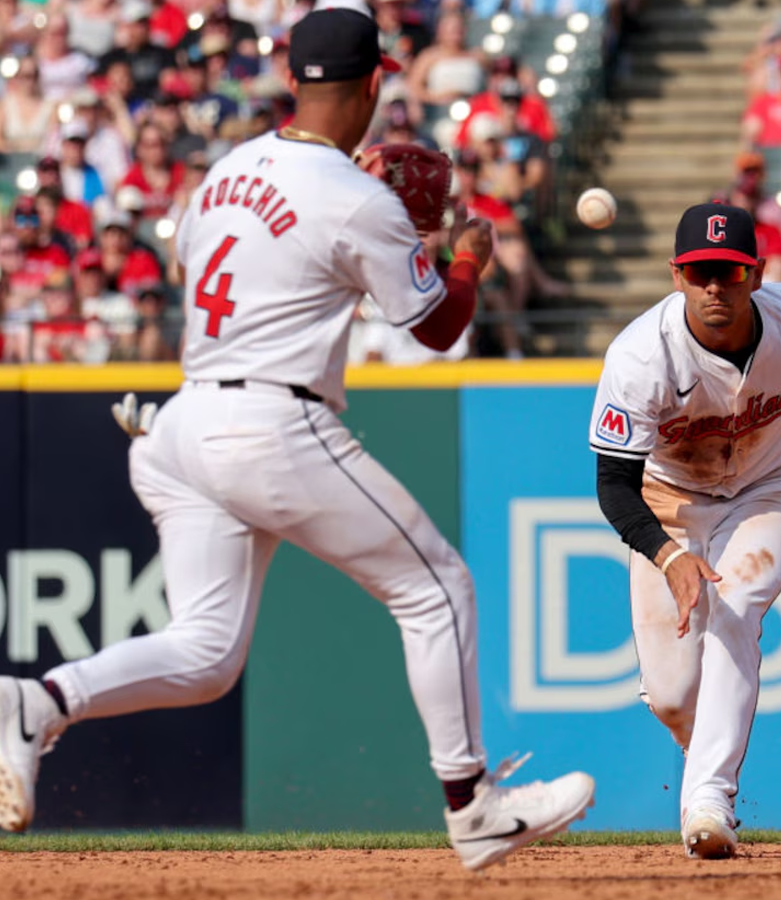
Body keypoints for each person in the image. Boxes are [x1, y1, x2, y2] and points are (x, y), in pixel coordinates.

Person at [0, 6, 594, 873]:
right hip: (270, 424)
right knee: (437, 589)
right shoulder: (359, 199)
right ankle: (474, 808)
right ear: (376, 83)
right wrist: (464, 257)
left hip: (185, 422)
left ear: (291, 78)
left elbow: (227, 270)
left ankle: (35, 701)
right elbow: (434, 327)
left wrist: (348, 261)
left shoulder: (224, 173)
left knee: (205, 652)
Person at [588, 203, 781, 860]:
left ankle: (709, 801)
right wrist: (667, 555)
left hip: (766, 488)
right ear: (677, 276)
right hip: (666, 502)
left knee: (736, 609)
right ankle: (704, 758)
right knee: (674, 695)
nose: (715, 288)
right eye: (700, 272)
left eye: (729, 273)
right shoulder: (639, 357)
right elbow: (614, 485)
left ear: (756, 274)